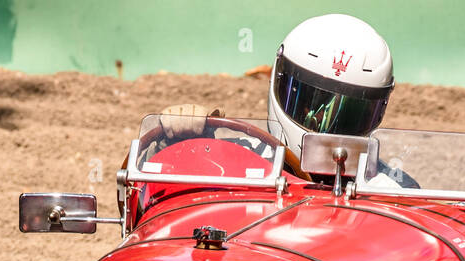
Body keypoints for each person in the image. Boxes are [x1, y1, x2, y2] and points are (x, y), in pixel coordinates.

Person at [150, 13, 416, 187]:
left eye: (348, 112)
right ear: (278, 79)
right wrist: (178, 141)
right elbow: (159, 199)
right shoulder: (231, 161)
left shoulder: (392, 189)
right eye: (311, 102)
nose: (322, 121)